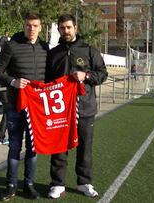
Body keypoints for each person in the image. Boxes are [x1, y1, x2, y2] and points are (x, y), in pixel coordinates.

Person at [46, 14, 108, 199]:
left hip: (85, 109)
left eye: (68, 27)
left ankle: (84, 182)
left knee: (84, 148)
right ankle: (57, 183)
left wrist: (86, 76)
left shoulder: (89, 50)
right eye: (62, 28)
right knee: (58, 148)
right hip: (61, 111)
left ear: (75, 28)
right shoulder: (54, 53)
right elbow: (47, 81)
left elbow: (102, 74)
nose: (65, 31)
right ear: (58, 29)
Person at [0, 12, 48, 201]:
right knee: (14, 146)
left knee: (33, 147)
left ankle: (28, 185)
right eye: (28, 25)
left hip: (36, 108)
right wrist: (12, 81)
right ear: (24, 26)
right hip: (15, 104)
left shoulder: (45, 48)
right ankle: (11, 185)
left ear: (41, 27)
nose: (31, 28)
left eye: (35, 25)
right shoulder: (11, 46)